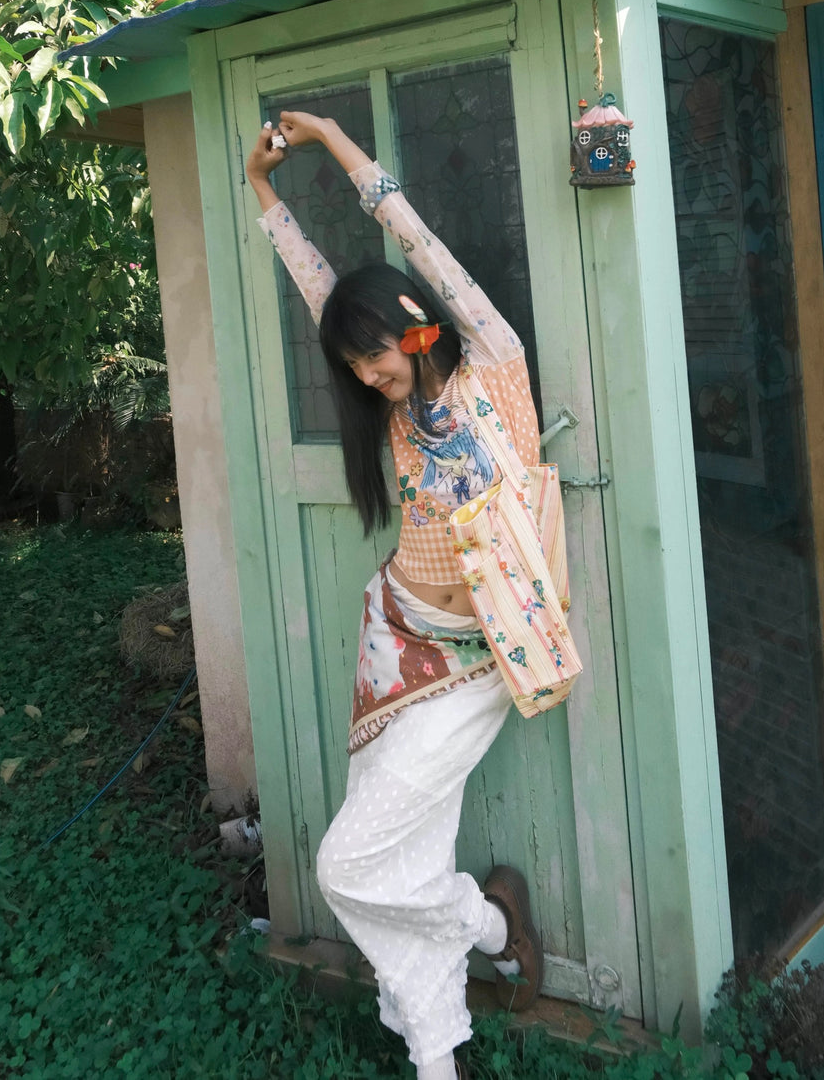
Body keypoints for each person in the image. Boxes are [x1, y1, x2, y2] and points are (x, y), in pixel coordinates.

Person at [244, 111, 544, 1080]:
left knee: (350, 865)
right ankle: (437, 1052)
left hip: (476, 659)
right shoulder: (396, 411)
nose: (371, 377)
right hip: (391, 643)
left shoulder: (491, 369)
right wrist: (262, 198)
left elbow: (416, 245)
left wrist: (335, 142)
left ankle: (491, 922)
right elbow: (321, 293)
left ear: (413, 328)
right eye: (355, 368)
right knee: (395, 850)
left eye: (379, 355)